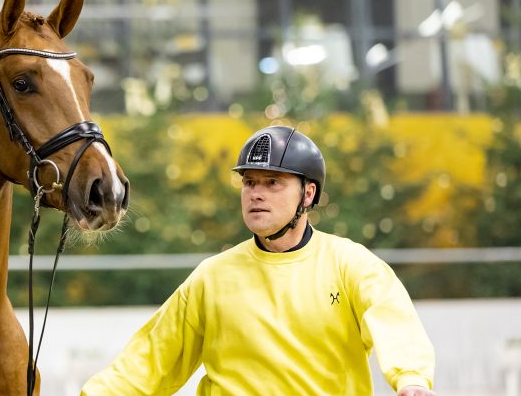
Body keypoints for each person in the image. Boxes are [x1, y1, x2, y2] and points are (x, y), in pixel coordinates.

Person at [80, 126, 436, 395]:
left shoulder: (350, 265)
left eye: (272, 182)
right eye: (249, 183)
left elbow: (394, 321)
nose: (256, 194)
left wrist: (411, 379)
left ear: (308, 194)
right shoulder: (212, 277)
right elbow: (150, 360)